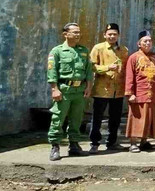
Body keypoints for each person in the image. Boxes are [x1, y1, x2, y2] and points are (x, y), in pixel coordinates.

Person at [47, 23, 94, 161]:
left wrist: (89, 87)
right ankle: (55, 146)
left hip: (79, 91)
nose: (77, 35)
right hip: (64, 90)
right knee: (58, 118)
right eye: (74, 32)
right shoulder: (57, 51)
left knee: (76, 119)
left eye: (79, 32)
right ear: (65, 34)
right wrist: (54, 89)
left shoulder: (84, 51)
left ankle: (74, 146)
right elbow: (52, 71)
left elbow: (89, 71)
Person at [88, 23, 129, 153]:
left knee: (115, 118)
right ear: (105, 35)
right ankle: (94, 142)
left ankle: (112, 142)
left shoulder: (123, 50)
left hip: (118, 90)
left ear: (118, 35)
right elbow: (91, 67)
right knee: (97, 118)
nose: (112, 36)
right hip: (102, 89)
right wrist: (107, 68)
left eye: (114, 34)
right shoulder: (98, 48)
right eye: (109, 34)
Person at [124, 30, 155, 153]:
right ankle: (133, 143)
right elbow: (129, 76)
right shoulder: (133, 57)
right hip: (139, 94)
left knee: (149, 119)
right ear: (139, 44)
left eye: (150, 41)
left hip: (152, 94)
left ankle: (144, 141)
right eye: (145, 41)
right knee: (136, 118)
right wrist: (130, 93)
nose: (148, 43)